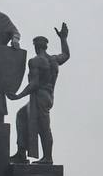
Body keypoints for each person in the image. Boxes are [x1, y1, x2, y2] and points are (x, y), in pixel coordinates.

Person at [8, 24, 70, 164]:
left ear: (36, 46)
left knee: (43, 127)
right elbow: (66, 55)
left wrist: (18, 96)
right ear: (45, 46)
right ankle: (21, 153)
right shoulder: (54, 60)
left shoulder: (35, 61)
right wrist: (63, 39)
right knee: (22, 115)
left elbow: (34, 84)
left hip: (40, 97)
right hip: (48, 96)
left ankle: (48, 158)